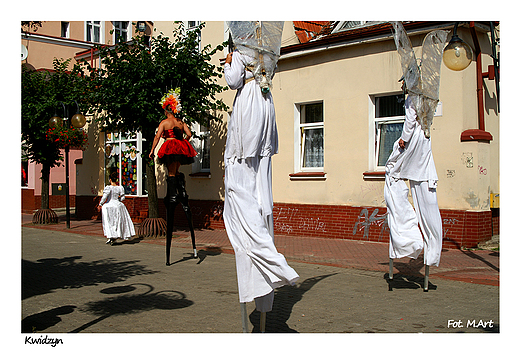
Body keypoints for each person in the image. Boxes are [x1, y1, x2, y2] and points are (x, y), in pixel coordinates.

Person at [223, 50, 299, 314]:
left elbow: (233, 82)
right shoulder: (268, 46)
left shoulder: (241, 47)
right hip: (266, 105)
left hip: (249, 109)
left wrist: (231, 61)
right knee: (261, 187)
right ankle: (268, 272)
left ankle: (270, 261)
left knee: (241, 179)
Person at [384, 81, 443, 267]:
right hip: (425, 142)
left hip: (413, 143)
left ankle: (406, 240)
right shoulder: (429, 99)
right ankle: (431, 250)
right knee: (427, 200)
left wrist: (403, 139)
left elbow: (409, 121)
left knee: (392, 169)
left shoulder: (412, 99)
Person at [149, 88, 198, 264]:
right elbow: (190, 134)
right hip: (180, 146)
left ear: (166, 110)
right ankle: (179, 189)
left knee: (170, 172)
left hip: (169, 145)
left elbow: (157, 137)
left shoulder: (164, 123)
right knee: (176, 170)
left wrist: (152, 150)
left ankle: (173, 194)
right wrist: (182, 140)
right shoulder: (179, 121)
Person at [97, 172, 136, 245]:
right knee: (117, 221)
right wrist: (118, 200)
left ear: (110, 180)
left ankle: (111, 236)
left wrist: (100, 204)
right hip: (118, 205)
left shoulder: (108, 188)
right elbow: (123, 197)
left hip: (109, 206)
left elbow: (105, 197)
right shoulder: (119, 188)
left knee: (109, 221)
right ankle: (115, 235)